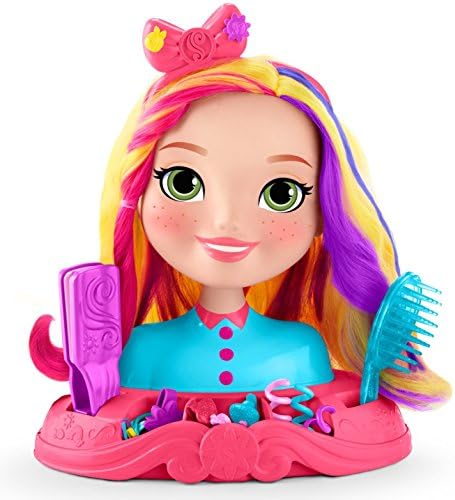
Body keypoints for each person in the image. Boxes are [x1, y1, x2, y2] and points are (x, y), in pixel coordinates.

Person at [29, 3, 450, 408]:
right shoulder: (142, 351)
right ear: (137, 194)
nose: (226, 221)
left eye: (281, 193)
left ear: (325, 211)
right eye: (183, 183)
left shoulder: (302, 351)